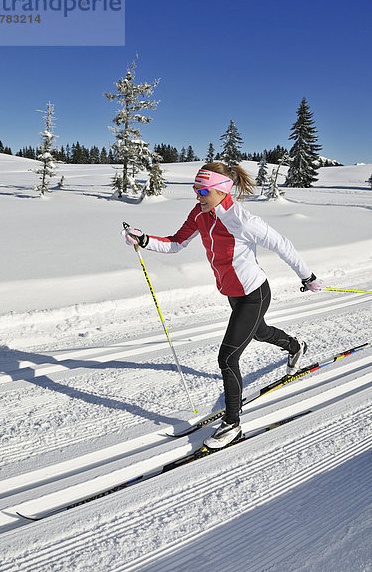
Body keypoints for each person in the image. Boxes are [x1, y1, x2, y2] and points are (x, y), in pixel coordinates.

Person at [123, 162, 322, 449]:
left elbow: (283, 245)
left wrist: (308, 277)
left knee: (227, 358)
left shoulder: (243, 220)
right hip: (233, 293)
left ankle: (233, 423)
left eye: (202, 190)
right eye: (195, 189)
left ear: (220, 189)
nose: (197, 196)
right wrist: (143, 239)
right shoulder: (200, 214)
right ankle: (295, 346)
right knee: (260, 332)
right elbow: (176, 243)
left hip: (254, 293)